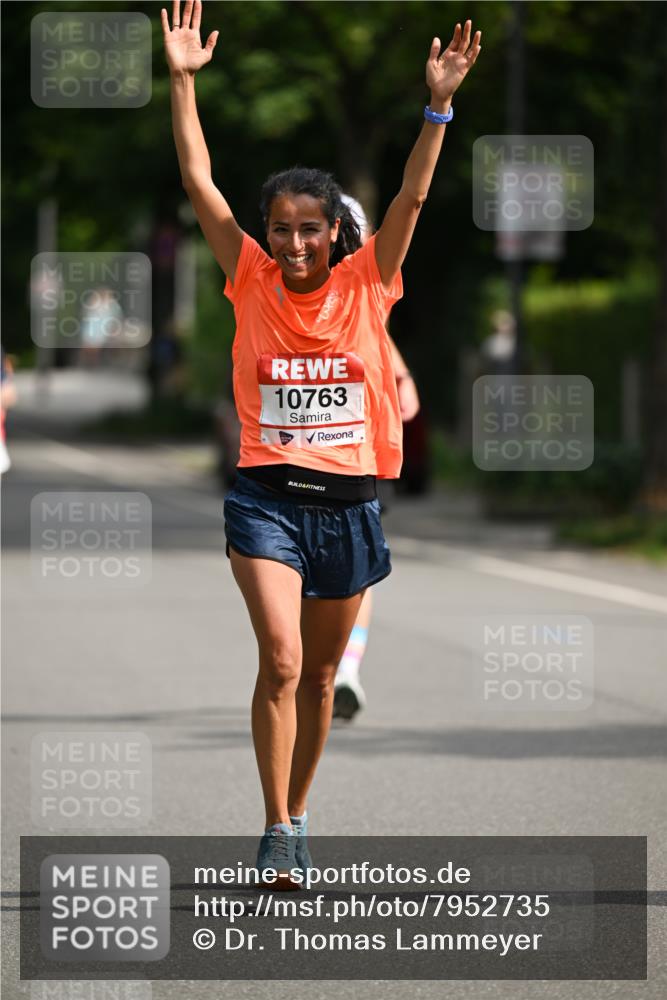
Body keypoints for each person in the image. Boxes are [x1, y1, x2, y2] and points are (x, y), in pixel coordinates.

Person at [162, 0, 481, 886]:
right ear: (265, 236)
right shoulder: (249, 279)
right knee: (283, 659)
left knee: (320, 682)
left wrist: (438, 109)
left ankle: (297, 817)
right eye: (282, 228)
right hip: (266, 499)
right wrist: (182, 83)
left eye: (311, 228)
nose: (296, 243)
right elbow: (199, 182)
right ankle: (271, 826)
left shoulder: (369, 279)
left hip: (348, 507)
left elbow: (414, 193)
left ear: (336, 231)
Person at [332, 195, 421, 722]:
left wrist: (403, 379)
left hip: (361, 448)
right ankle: (328, 664)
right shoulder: (287, 282)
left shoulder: (366, 282)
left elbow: (376, 334)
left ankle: (344, 667)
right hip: (297, 457)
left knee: (357, 568)